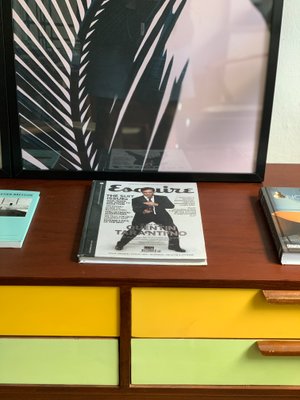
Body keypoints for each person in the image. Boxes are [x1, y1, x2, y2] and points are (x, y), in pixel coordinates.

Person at [115, 187, 185, 252]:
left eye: (149, 192)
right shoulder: (136, 199)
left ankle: (173, 246)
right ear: (142, 193)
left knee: (172, 229)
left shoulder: (162, 198)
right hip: (143, 217)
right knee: (134, 231)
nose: (148, 194)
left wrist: (155, 204)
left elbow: (171, 206)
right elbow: (135, 209)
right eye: (145, 192)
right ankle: (120, 244)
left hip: (160, 216)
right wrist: (143, 211)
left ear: (153, 192)